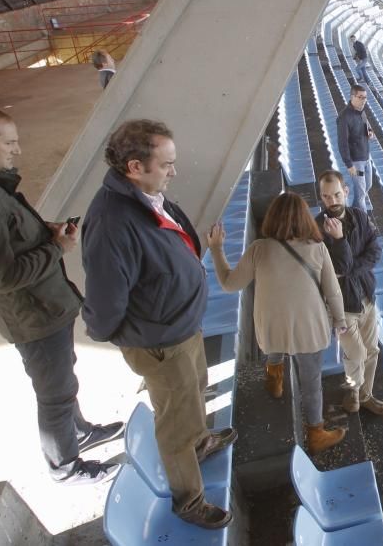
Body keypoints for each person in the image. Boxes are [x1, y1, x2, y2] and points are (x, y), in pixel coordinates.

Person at [82, 119, 236, 529]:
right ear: (135, 166)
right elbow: (103, 302)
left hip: (180, 327)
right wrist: (134, 336)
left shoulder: (145, 196)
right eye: (166, 164)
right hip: (161, 342)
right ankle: (189, 500)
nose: (174, 171)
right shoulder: (112, 223)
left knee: (195, 392)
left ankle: (201, 442)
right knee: (175, 425)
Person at [0, 105, 123, 485]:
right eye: (10, 142)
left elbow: (9, 241)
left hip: (43, 306)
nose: (17, 150)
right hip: (30, 314)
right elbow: (0, 277)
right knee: (54, 393)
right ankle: (65, 467)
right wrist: (55, 248)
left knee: (63, 377)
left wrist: (43, 233)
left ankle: (81, 431)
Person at [206, 192, 346, 454]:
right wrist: (339, 320)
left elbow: (228, 284)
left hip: (270, 328)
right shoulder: (317, 248)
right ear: (305, 219)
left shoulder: (259, 248)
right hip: (309, 328)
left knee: (276, 341)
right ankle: (316, 433)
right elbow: (333, 291)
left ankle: (275, 381)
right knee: (312, 381)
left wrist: (216, 249)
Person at [315, 169, 383, 417]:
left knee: (373, 350)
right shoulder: (318, 229)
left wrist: (351, 270)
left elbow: (375, 250)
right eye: (326, 197)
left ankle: (364, 395)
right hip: (342, 306)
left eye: (336, 194)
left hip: (367, 296)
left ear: (345, 191)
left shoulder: (360, 216)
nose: (332, 201)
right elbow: (339, 267)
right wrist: (338, 240)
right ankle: (353, 390)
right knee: (356, 353)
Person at [336, 85, 374, 211]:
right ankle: (364, 223)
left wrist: (370, 131)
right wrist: (349, 164)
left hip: (366, 158)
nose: (364, 100)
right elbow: (342, 143)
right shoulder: (344, 117)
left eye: (365, 97)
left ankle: (354, 213)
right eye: (360, 97)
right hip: (356, 162)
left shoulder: (362, 111)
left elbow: (366, 124)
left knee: (367, 186)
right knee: (361, 193)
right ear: (352, 97)